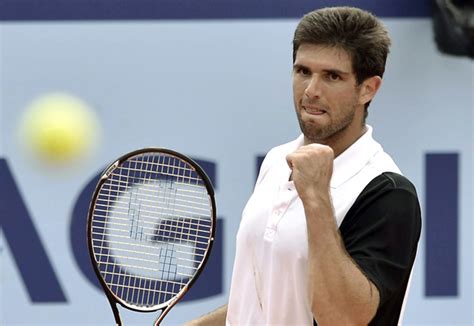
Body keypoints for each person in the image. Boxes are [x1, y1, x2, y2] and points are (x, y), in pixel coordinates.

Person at [188, 6, 421, 326]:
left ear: (368, 88)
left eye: (332, 76)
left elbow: (343, 318)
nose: (311, 90)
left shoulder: (388, 193)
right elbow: (265, 299)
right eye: (303, 71)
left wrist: (316, 197)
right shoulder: (276, 160)